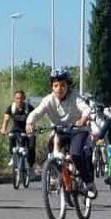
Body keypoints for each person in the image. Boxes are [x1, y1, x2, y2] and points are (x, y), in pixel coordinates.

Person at [27, 70, 96, 198]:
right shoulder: (48, 100)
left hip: (77, 131)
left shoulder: (75, 97)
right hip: (60, 131)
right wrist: (29, 123)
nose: (59, 89)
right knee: (50, 150)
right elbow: (36, 113)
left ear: (68, 86)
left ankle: (88, 182)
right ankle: (55, 176)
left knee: (76, 154)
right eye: (56, 85)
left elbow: (86, 109)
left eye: (63, 85)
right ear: (52, 87)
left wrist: (82, 119)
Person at [0, 89, 37, 181]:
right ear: (14, 98)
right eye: (17, 98)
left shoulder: (29, 108)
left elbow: (34, 119)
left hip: (27, 129)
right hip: (16, 129)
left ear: (24, 98)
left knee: (31, 146)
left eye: (21, 98)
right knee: (11, 137)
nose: (19, 100)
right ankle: (13, 157)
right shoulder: (11, 108)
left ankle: (31, 166)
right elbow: (6, 119)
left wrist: (32, 130)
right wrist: (3, 129)